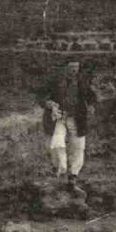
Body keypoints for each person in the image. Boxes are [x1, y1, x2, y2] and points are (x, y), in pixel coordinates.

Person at [38, 61, 94, 197]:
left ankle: (73, 178)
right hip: (59, 117)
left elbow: (91, 95)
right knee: (57, 144)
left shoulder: (82, 81)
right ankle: (59, 171)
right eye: (71, 67)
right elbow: (41, 96)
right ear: (65, 68)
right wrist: (48, 103)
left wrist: (91, 105)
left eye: (76, 67)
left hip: (77, 118)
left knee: (78, 146)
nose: (74, 70)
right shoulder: (55, 81)